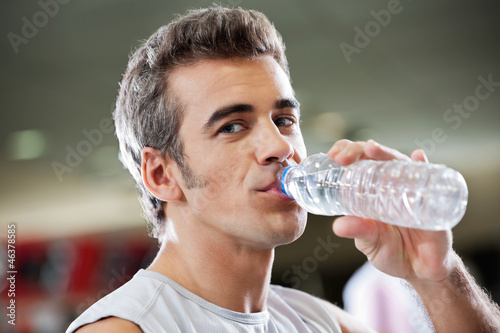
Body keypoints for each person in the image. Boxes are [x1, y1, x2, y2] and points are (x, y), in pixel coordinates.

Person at [66, 6, 500, 333]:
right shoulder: (127, 328)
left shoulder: (321, 322)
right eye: (232, 126)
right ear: (162, 175)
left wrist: (438, 278)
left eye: (284, 120)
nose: (279, 146)